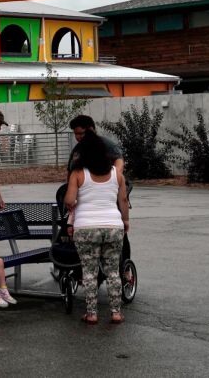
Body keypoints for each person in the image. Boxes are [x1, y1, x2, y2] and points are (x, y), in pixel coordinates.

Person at [64, 131, 129, 325]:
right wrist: (126, 221)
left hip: (86, 228)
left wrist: (74, 200)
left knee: (89, 272)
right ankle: (116, 313)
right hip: (113, 226)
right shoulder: (116, 174)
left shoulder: (78, 174)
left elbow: (69, 200)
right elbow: (123, 200)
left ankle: (92, 314)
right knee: (112, 271)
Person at [67, 115, 124, 180]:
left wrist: (111, 180)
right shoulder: (77, 149)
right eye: (75, 134)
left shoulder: (106, 145)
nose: (77, 137)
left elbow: (119, 162)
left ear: (91, 130)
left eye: (81, 133)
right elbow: (70, 171)